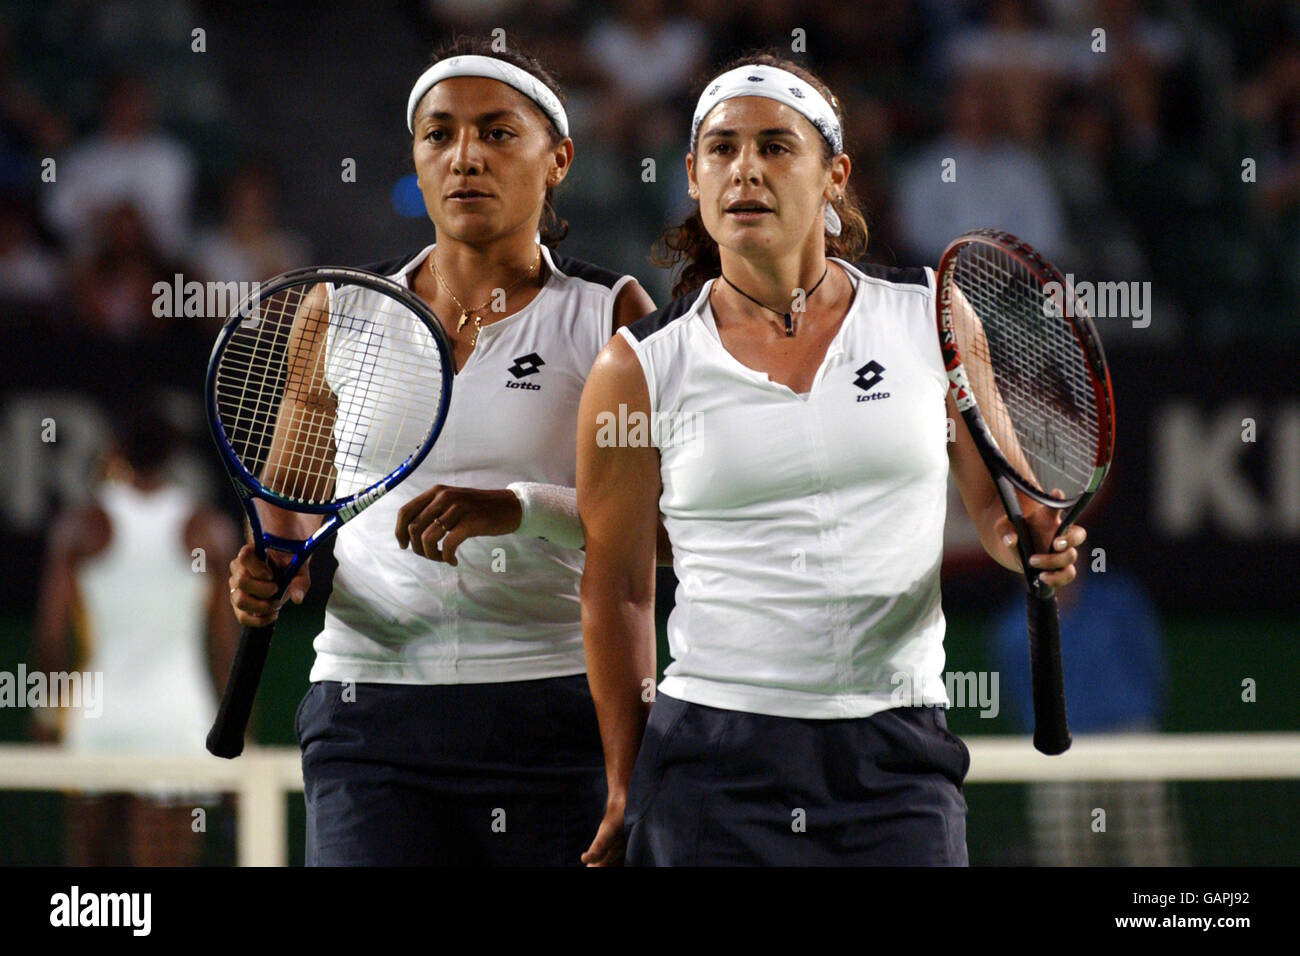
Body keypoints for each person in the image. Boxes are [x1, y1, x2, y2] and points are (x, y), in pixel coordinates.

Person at [577, 53, 1086, 866]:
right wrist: (621, 775)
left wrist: (1031, 545)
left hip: (896, 757)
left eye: (777, 146)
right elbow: (618, 589)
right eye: (723, 149)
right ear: (694, 178)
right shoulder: (637, 367)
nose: (746, 168)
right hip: (712, 759)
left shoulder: (933, 316)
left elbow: (1000, 511)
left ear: (834, 176)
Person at [227, 37, 655, 866]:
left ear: (558, 158)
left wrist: (521, 510)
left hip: (555, 710)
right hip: (369, 713)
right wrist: (272, 562)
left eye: (498, 133)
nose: (466, 157)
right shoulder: (337, 309)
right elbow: (291, 489)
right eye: (440, 135)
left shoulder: (612, 316)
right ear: (416, 159)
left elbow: (662, 531)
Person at [32, 403, 238, 866]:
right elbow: (227, 654)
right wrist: (238, 737)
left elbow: (49, 638)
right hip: (178, 723)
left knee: (89, 891)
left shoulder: (79, 527)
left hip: (100, 721)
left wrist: (47, 717)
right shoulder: (209, 530)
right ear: (173, 456)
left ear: (117, 450)